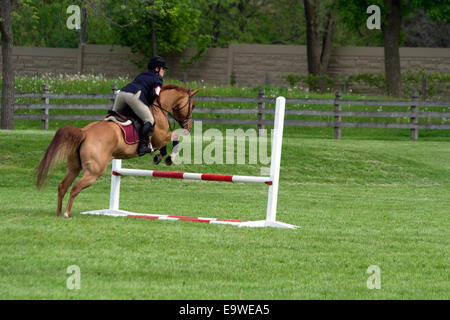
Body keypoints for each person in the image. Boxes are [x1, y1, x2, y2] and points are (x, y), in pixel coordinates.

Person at [113, 56, 168, 156]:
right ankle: (142, 147)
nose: (164, 71)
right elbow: (154, 95)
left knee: (112, 117)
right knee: (149, 120)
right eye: (163, 69)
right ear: (157, 69)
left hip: (121, 93)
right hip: (134, 96)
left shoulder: (141, 75)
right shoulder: (158, 80)